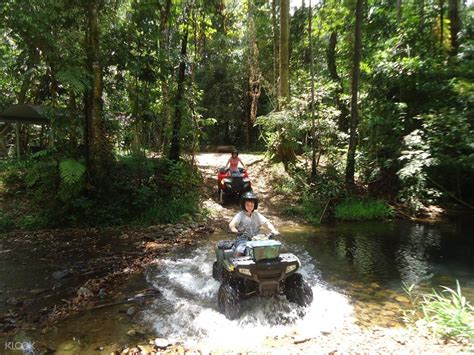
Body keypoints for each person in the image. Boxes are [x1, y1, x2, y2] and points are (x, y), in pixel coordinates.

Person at [229, 192, 279, 256]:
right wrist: (234, 229)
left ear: (254, 205)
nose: (250, 207)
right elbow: (232, 224)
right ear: (243, 204)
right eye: (247, 205)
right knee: (240, 250)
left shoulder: (257, 215)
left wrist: (273, 230)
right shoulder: (240, 215)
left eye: (251, 205)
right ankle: (234, 264)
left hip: (256, 239)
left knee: (272, 247)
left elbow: (267, 223)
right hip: (243, 239)